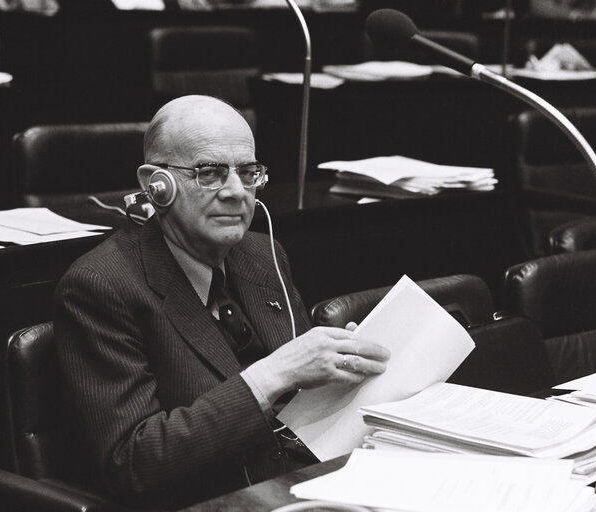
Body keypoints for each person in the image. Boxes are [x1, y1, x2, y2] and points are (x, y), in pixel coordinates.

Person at [54, 95, 390, 509]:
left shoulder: (262, 254)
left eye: (248, 173)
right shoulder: (101, 285)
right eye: (210, 173)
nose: (236, 192)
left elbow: (298, 402)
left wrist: (339, 368)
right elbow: (135, 463)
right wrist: (273, 374)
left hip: (303, 484)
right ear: (156, 184)